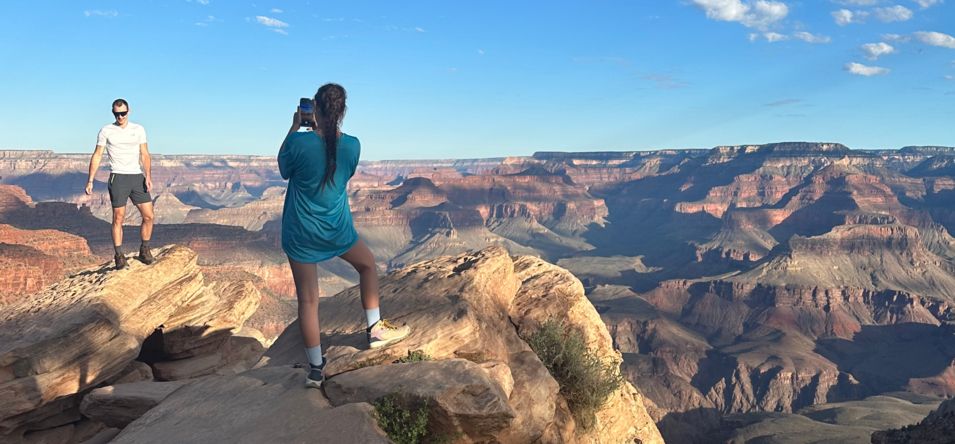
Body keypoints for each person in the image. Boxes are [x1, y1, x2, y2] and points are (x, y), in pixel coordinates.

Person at [278, 83, 411, 389]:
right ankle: (375, 328)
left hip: (300, 232)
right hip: (337, 230)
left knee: (308, 300)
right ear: (342, 111)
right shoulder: (353, 145)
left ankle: (315, 369)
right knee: (367, 266)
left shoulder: (298, 143)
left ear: (314, 108)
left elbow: (284, 170)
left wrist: (294, 127)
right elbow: (343, 173)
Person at [85, 98, 155, 270]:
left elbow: (145, 154)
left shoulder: (138, 129)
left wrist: (148, 176)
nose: (120, 117)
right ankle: (119, 255)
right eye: (117, 114)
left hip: (136, 177)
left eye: (123, 113)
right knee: (118, 218)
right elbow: (97, 155)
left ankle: (144, 249)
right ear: (113, 113)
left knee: (149, 216)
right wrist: (90, 180)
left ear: (128, 111)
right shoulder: (106, 131)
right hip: (118, 178)